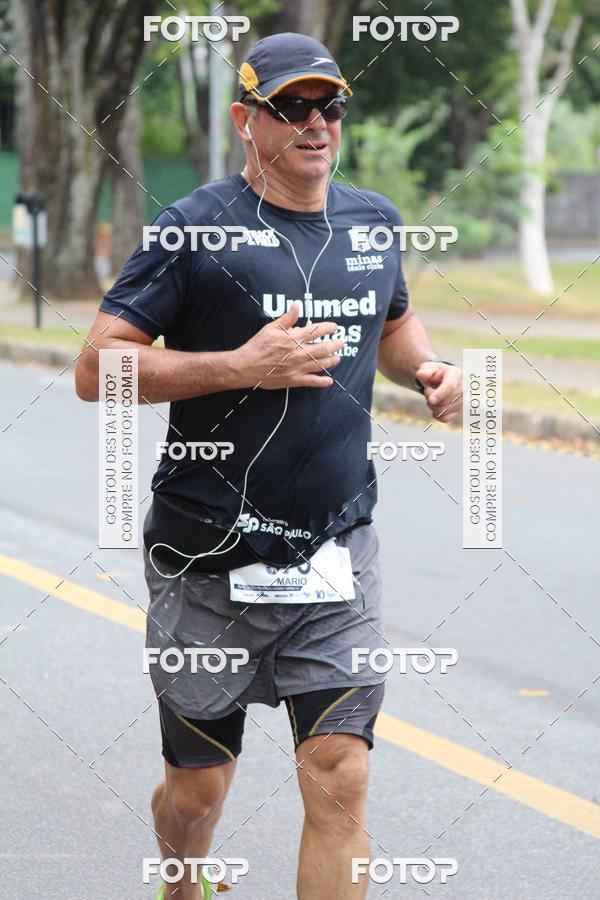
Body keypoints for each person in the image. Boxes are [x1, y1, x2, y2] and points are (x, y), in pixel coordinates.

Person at [76, 31, 462, 900]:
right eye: (291, 107)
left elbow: (392, 320)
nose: (316, 123)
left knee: (341, 774)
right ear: (246, 120)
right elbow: (96, 370)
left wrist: (431, 370)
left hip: (335, 555)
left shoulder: (372, 222)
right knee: (195, 793)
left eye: (331, 105)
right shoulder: (194, 229)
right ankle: (184, 877)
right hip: (207, 557)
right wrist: (239, 366)